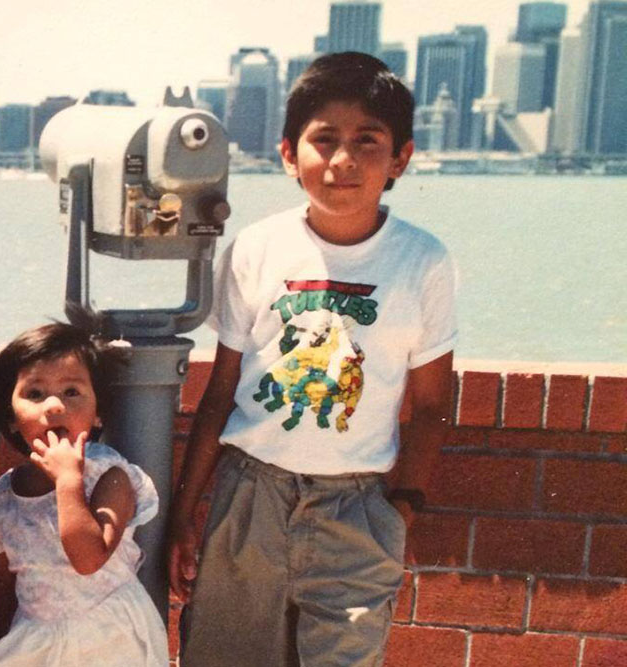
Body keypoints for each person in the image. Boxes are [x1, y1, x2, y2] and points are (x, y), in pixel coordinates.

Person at [167, 52, 457, 666]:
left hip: (357, 506)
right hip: (249, 494)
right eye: (324, 140)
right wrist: (186, 511)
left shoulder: (423, 261)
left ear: (401, 158)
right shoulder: (257, 248)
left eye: (367, 141)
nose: (344, 160)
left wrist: (401, 509)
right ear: (288, 154)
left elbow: (431, 405)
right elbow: (220, 392)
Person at [0, 323, 169, 666]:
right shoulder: (3, 497)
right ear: (10, 418)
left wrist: (69, 482)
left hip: (110, 640)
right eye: (35, 394)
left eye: (71, 392)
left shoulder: (110, 477)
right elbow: (3, 589)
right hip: (37, 641)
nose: (54, 406)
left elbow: (88, 559)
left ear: (98, 413)